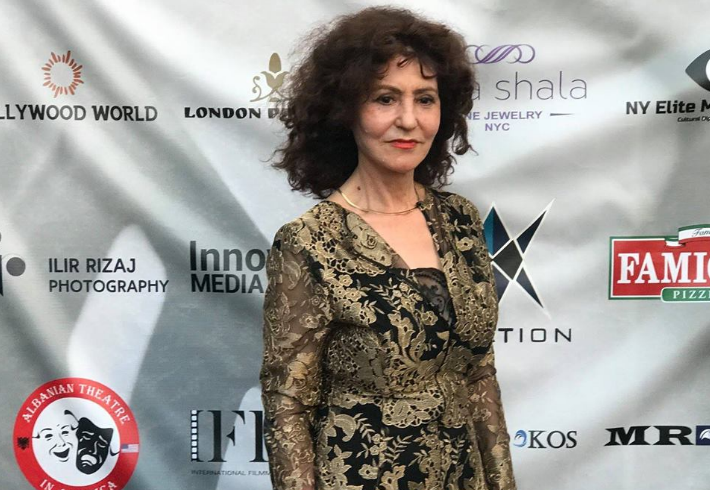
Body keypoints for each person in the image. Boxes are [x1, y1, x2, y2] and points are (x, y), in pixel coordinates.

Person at [260, 6, 516, 490]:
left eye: (425, 99)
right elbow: (287, 404)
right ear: (345, 111)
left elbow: (480, 375)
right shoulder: (310, 242)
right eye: (385, 98)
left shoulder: (460, 219)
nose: (408, 120)